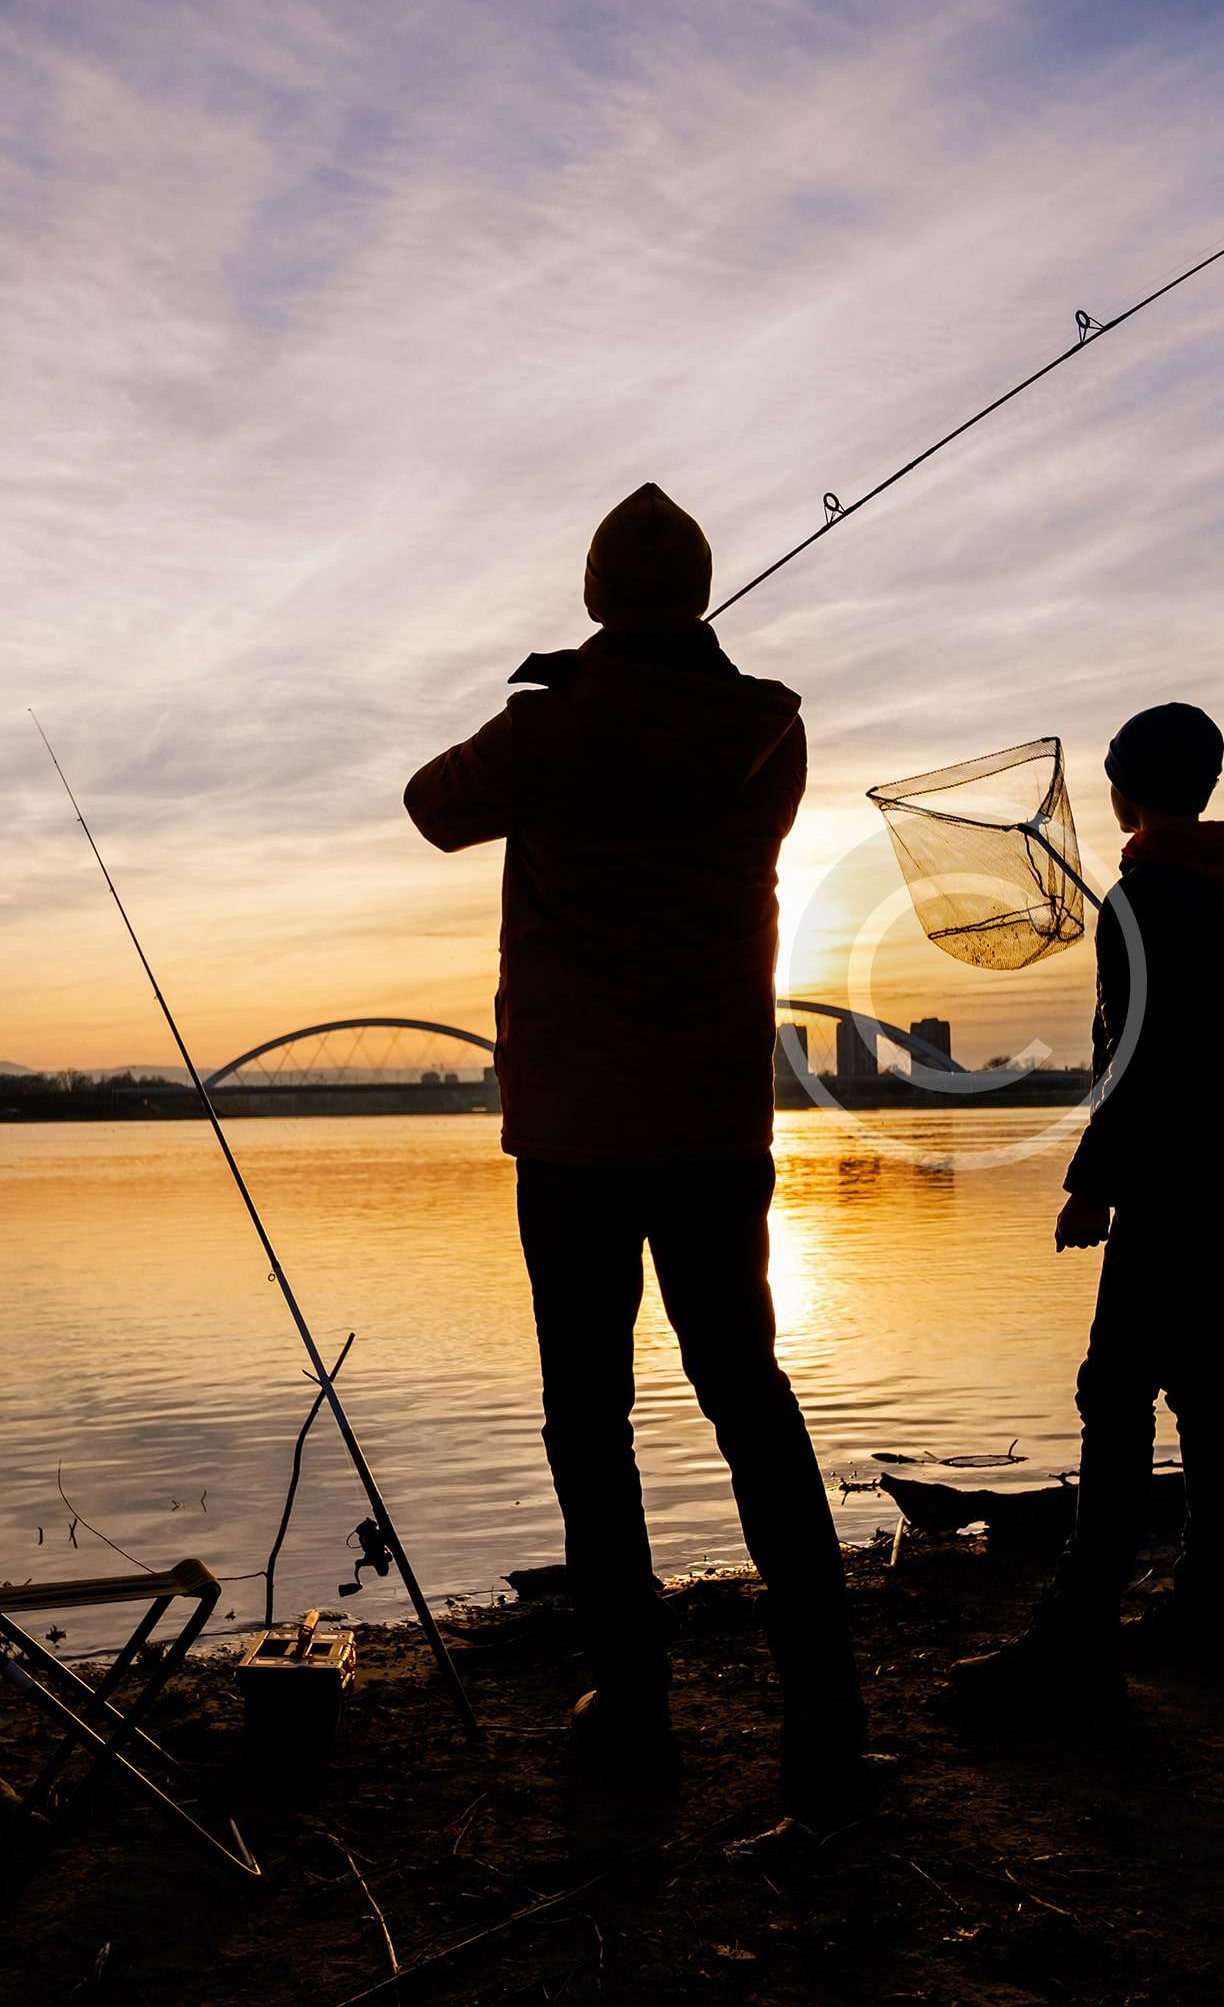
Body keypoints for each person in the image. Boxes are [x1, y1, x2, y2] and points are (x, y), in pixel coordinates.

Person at [404, 482, 867, 1813]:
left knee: (588, 1417)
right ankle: (825, 1707)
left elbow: (432, 806)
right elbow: (678, 764)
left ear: (598, 597)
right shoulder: (767, 730)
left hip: (574, 1135)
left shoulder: (550, 727)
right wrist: (613, 685)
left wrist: (566, 693)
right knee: (749, 1400)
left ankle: (632, 1699)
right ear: (701, 597)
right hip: (715, 1124)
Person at [952, 702, 1224, 1714]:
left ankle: (1078, 1639)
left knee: (1116, 1391)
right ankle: (1214, 1611)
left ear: (1125, 791)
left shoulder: (1145, 900)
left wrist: (1093, 1182)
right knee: (1204, 1386)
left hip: (1172, 1172)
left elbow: (1141, 1060)